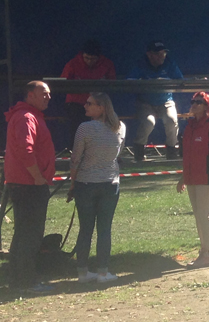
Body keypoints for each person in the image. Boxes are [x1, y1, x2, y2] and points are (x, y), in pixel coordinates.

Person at [4, 81, 56, 293]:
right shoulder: (26, 117)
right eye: (44, 93)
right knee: (30, 235)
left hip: (26, 184)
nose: (48, 97)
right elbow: (26, 150)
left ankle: (18, 280)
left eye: (49, 94)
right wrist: (37, 177)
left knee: (24, 233)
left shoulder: (29, 116)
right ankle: (26, 281)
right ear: (30, 95)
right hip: (29, 184)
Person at [68, 92, 125, 284]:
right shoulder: (120, 127)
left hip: (85, 183)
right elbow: (118, 153)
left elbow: (76, 158)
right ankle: (103, 272)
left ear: (101, 107)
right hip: (110, 182)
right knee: (104, 229)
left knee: (85, 229)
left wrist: (73, 182)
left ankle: (82, 272)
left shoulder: (84, 128)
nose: (85, 106)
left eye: (89, 103)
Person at [176, 92, 209, 268]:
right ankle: (203, 251)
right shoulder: (189, 126)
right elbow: (188, 155)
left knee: (204, 215)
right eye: (193, 101)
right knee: (198, 215)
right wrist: (183, 177)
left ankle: (207, 253)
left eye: (199, 102)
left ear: (207, 106)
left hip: (205, 177)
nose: (194, 104)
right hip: (191, 178)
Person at [127, 40, 183, 162]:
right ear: (149, 54)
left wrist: (168, 83)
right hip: (145, 102)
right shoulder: (141, 64)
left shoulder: (170, 63)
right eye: (158, 54)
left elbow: (180, 81)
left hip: (166, 101)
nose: (161, 56)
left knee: (171, 120)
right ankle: (139, 150)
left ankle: (172, 150)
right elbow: (130, 81)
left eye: (163, 53)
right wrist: (145, 84)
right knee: (149, 122)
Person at [61, 40, 117, 138]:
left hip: (98, 103)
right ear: (82, 55)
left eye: (93, 59)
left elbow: (113, 83)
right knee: (77, 130)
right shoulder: (72, 64)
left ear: (98, 57)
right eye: (87, 58)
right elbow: (63, 83)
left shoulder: (107, 64)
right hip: (77, 104)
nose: (90, 61)